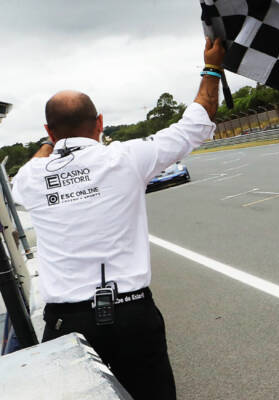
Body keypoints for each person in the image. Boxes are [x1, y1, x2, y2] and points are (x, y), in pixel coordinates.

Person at [13, 38, 224, 400]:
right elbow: (197, 121)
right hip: (131, 314)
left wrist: (50, 144)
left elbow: (29, 171)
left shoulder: (30, 177)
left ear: (49, 131)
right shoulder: (126, 157)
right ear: (99, 122)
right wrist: (212, 67)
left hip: (67, 321)